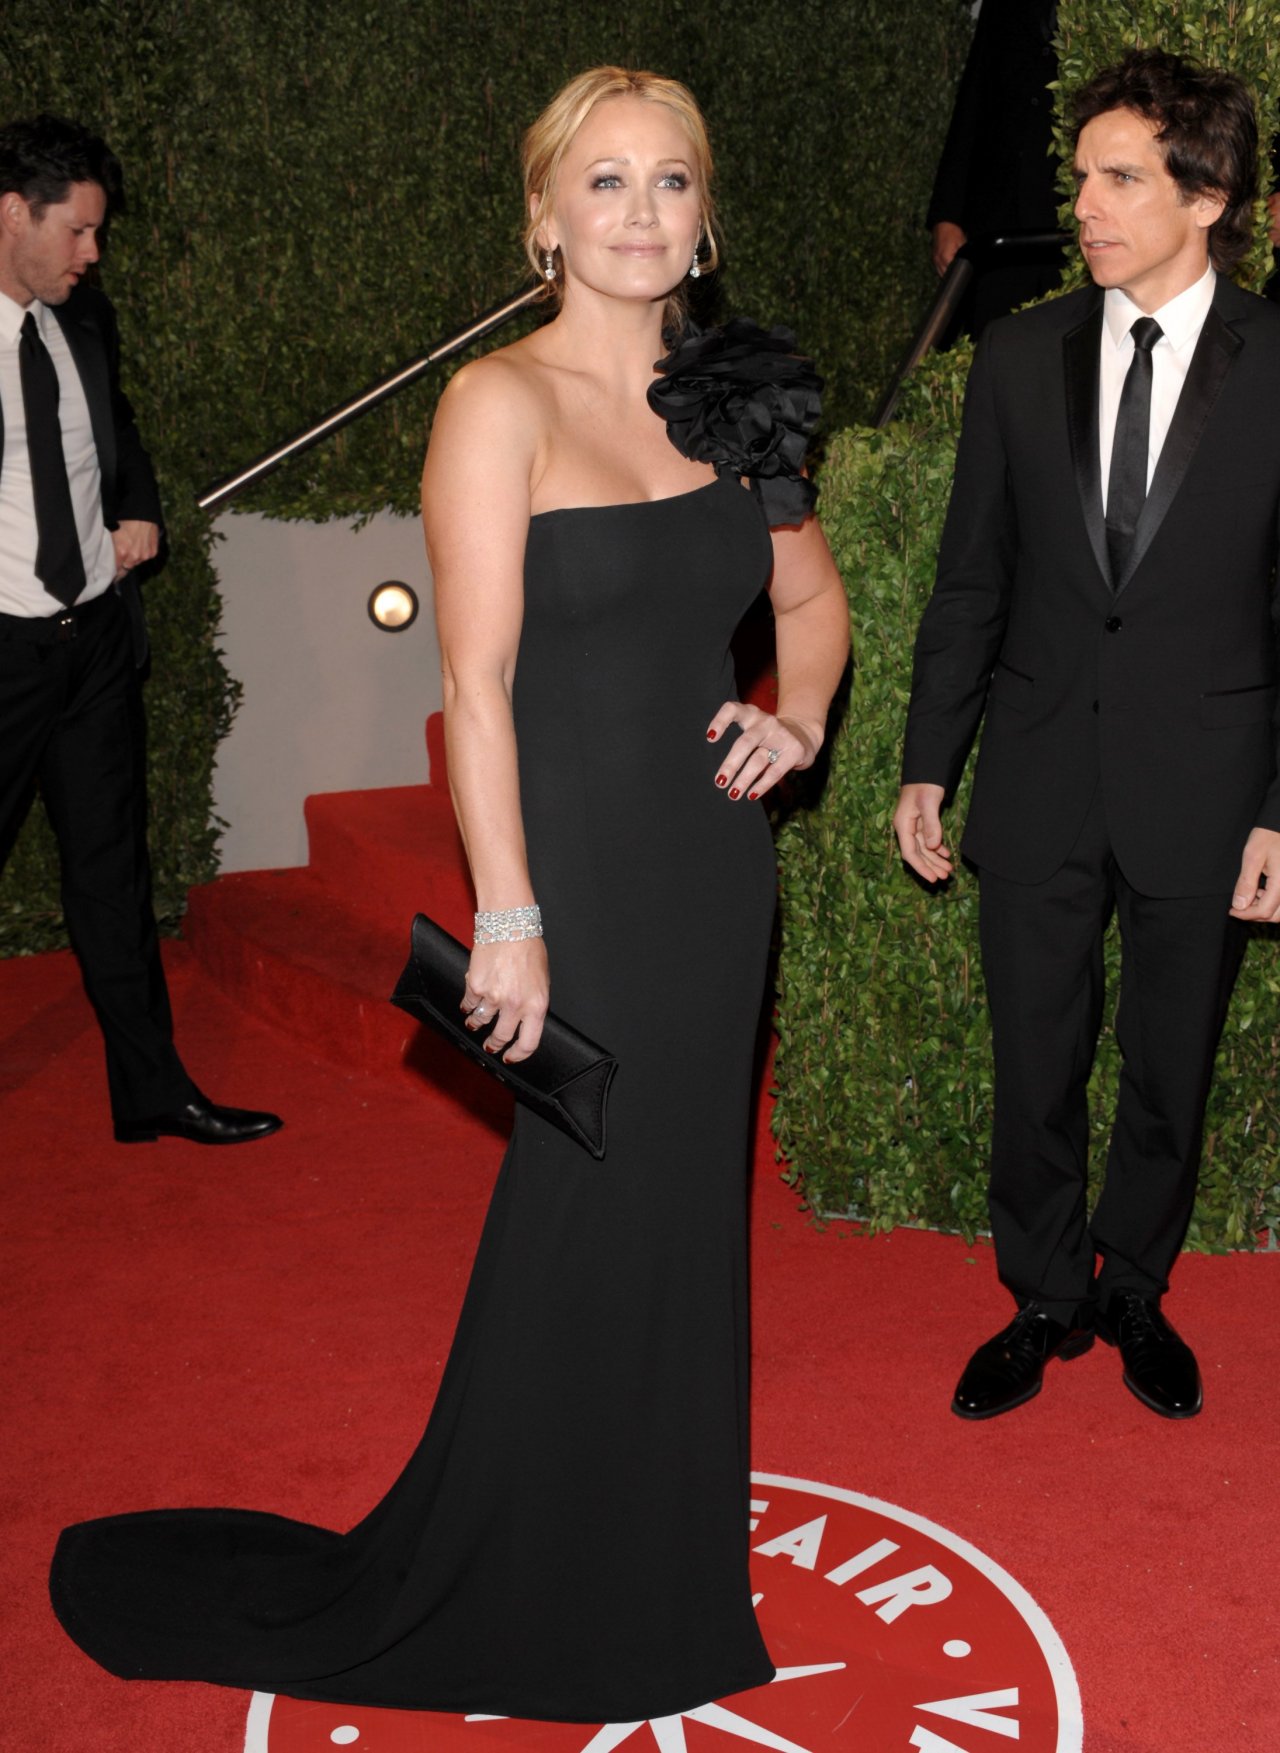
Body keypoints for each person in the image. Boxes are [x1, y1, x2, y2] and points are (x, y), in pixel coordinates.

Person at [49, 69, 849, 1721]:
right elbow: (475, 689)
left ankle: (656, 1559)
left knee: (681, 1223)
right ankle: (520, 1566)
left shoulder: (738, 397)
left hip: (712, 878)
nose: (641, 213)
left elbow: (812, 599)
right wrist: (512, 916)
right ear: (543, 213)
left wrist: (803, 717)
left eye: (673, 181)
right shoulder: (499, 404)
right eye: (605, 181)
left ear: (706, 215)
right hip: (577, 877)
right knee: (580, 1215)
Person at [894, 47, 1280, 1423]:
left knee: (1169, 1067)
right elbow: (971, 580)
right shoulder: (1017, 354)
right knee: (1034, 1060)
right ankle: (1043, 1292)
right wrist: (929, 760)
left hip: (1209, 784)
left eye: (1119, 179)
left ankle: (1135, 1291)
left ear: (1207, 196)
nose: (1085, 207)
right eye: (1080, 177)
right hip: (1040, 768)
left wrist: (1278, 807)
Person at [0, 115, 280, 1146]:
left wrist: (137, 503)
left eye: (98, 233)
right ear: (12, 214)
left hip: (94, 646)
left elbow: (112, 426)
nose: (92, 253)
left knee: (114, 877)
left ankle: (154, 1090)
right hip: (4, 650)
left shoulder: (83, 316)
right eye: (76, 231)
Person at [927, 0, 1065, 339]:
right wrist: (947, 214)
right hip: (996, 222)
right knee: (989, 351)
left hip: (1073, 221)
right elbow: (974, 94)